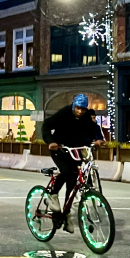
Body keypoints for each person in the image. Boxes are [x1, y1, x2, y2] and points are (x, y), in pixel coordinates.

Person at [41, 94, 105, 233]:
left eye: (83, 109)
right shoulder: (64, 113)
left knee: (73, 182)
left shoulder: (87, 116)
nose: (80, 112)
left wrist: (99, 139)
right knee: (66, 171)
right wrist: (50, 141)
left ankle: (66, 214)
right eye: (77, 108)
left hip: (76, 150)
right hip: (60, 149)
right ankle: (53, 195)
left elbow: (95, 128)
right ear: (73, 105)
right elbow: (46, 125)